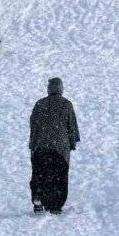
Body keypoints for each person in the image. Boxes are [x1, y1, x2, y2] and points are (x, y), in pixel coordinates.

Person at [28, 77, 80, 215]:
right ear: (61, 89)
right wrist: (72, 142)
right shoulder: (66, 104)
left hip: (40, 146)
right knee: (59, 176)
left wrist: (33, 144)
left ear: (49, 89)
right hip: (60, 148)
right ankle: (55, 205)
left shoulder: (39, 104)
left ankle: (38, 198)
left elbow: (33, 125)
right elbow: (72, 126)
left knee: (40, 173)